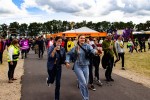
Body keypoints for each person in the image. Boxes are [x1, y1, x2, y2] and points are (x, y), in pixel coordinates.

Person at [65, 34, 98, 100]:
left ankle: (80, 84)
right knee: (83, 82)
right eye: (81, 38)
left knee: (85, 83)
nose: (82, 39)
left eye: (83, 38)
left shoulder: (88, 46)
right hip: (78, 66)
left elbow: (92, 50)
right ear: (78, 39)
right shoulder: (75, 47)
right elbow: (68, 54)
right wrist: (67, 62)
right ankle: (86, 98)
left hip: (86, 66)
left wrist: (96, 51)